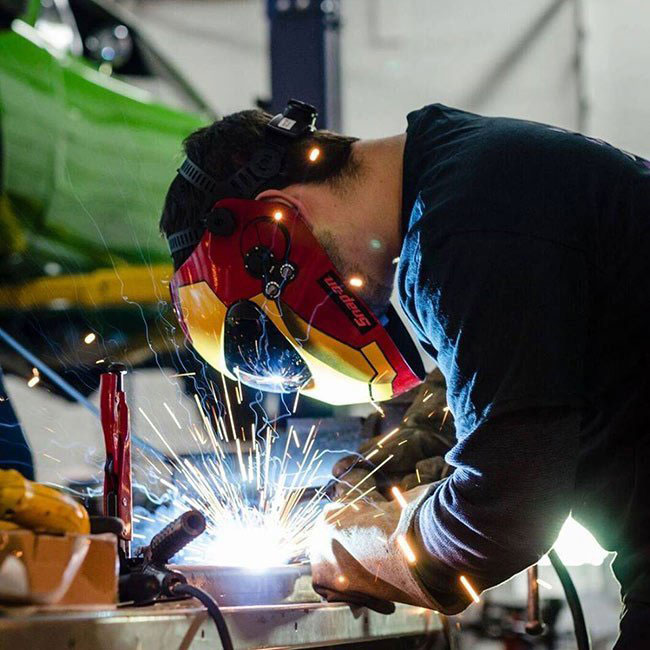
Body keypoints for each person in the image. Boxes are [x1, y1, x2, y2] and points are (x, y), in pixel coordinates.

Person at [160, 102, 650, 648]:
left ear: (271, 233)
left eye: (282, 336)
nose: (302, 350)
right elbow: (527, 361)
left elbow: (504, 514)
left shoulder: (468, 224)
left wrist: (350, 549)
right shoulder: (461, 185)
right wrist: (412, 454)